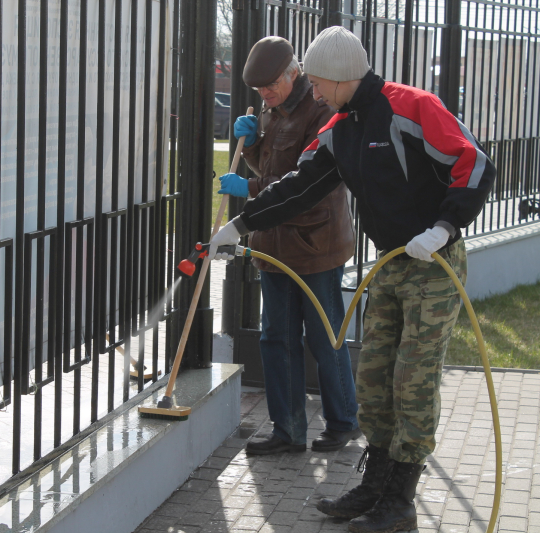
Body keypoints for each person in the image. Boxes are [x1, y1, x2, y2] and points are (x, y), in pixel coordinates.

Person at [209, 26, 496, 533]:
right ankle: (375, 483)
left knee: (413, 381)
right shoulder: (340, 127)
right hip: (390, 264)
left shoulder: (412, 107)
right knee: (375, 378)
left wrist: (445, 226)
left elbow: (474, 163)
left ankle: (401, 501)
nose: (313, 91)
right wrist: (243, 222)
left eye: (318, 82)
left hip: (434, 262)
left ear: (343, 76)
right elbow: (302, 185)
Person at [218, 36, 362, 455]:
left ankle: (343, 422)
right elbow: (270, 165)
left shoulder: (319, 109)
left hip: (315, 245)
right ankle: (288, 430)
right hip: (274, 249)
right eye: (260, 90)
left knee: (324, 337)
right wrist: (254, 145)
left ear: (293, 73)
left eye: (271, 87)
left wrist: (250, 186)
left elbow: (306, 184)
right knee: (276, 339)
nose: (265, 95)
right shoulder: (271, 110)